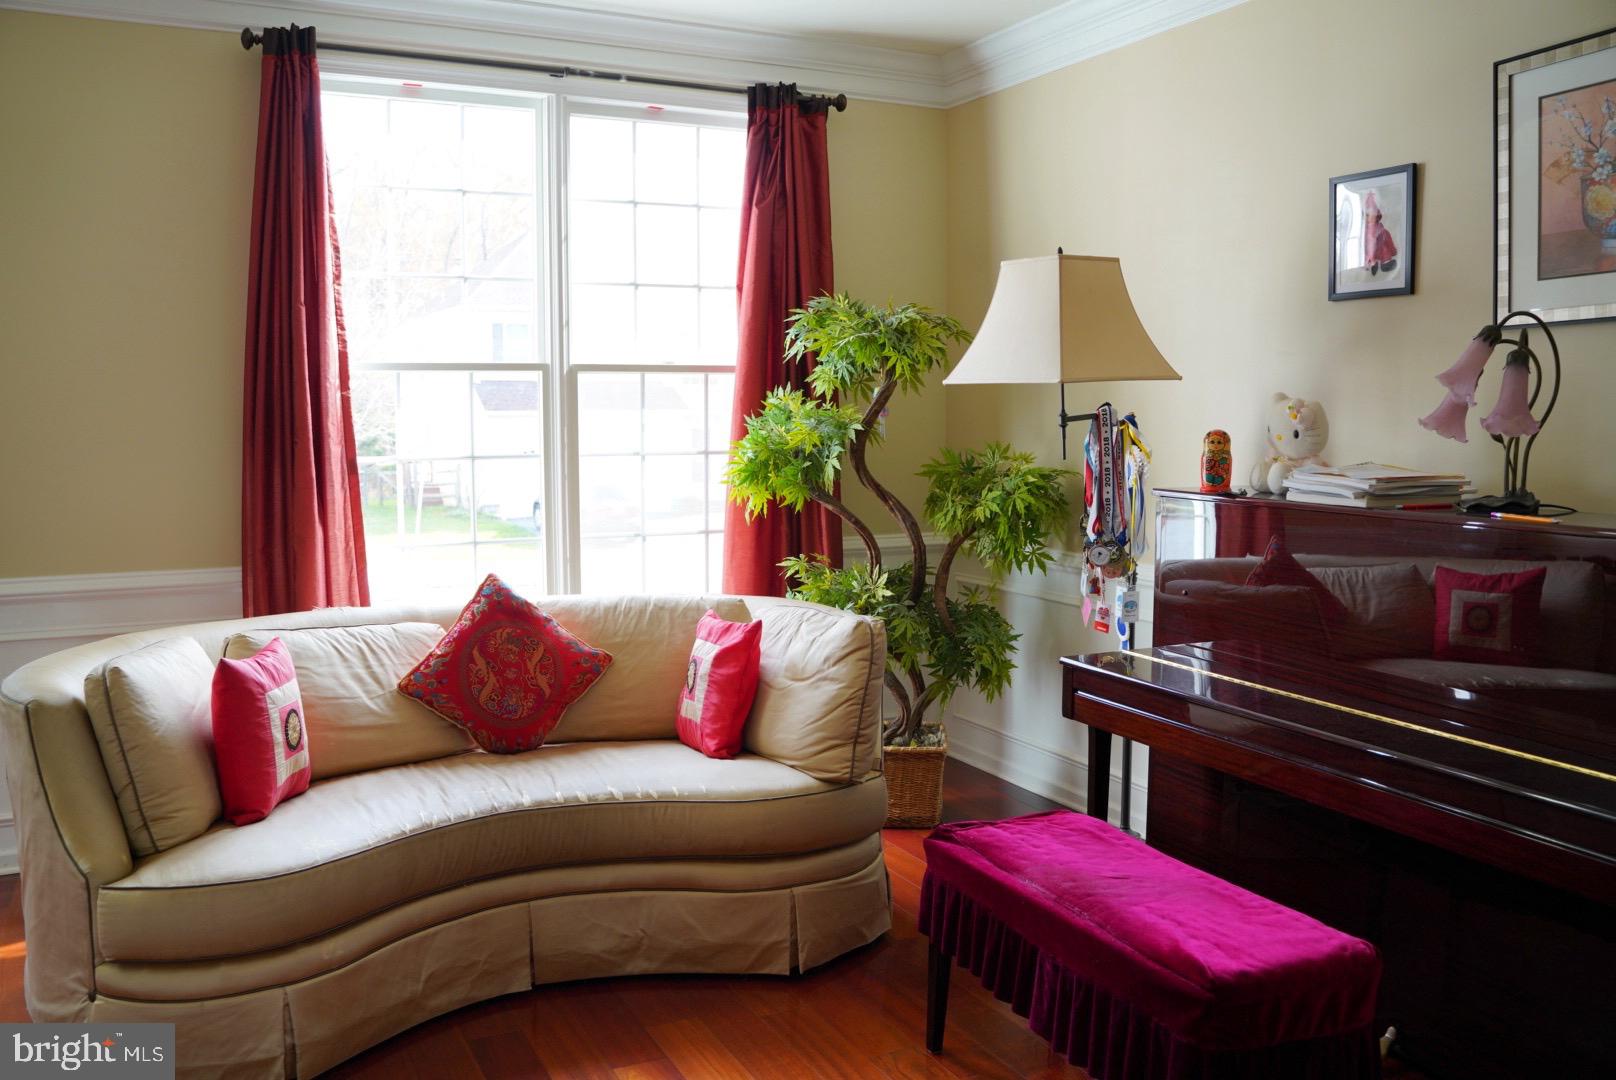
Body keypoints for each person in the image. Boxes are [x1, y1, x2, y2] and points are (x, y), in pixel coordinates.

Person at [1363, 189, 1398, 276]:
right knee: (1372, 252)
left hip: (1378, 248)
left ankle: (1383, 263)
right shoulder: (1365, 230)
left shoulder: (1381, 231)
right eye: (1368, 215)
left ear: (1377, 216)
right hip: (1372, 250)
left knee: (1384, 249)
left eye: (1372, 215)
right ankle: (1374, 263)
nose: (1370, 217)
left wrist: (1393, 251)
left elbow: (1388, 241)